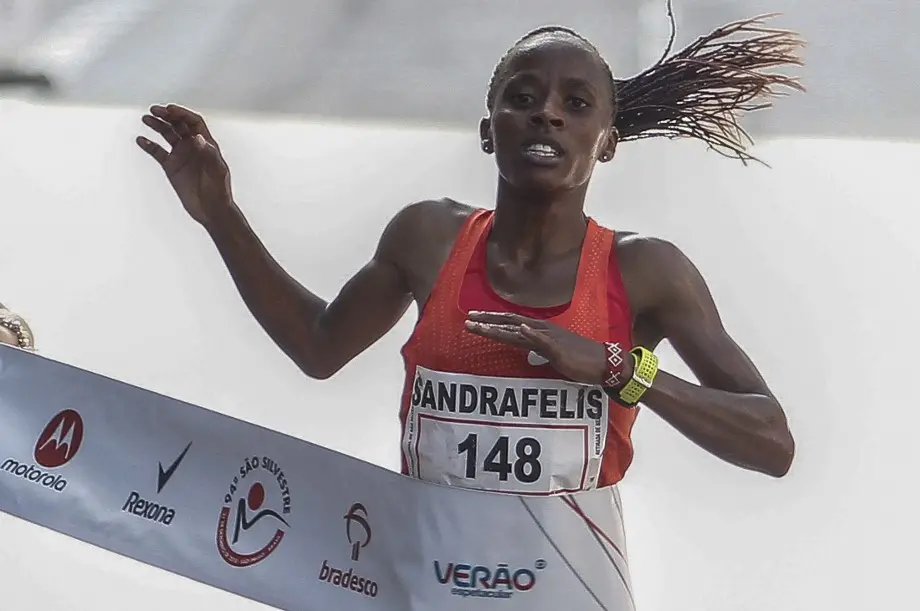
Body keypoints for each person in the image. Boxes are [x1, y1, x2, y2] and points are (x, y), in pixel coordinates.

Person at [136, 10, 803, 497]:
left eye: (576, 103)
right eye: (522, 98)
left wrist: (615, 367)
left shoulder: (645, 271)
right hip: (427, 582)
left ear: (606, 141)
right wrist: (221, 216)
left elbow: (771, 440)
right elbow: (317, 347)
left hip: (569, 589)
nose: (546, 113)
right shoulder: (428, 240)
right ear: (489, 132)